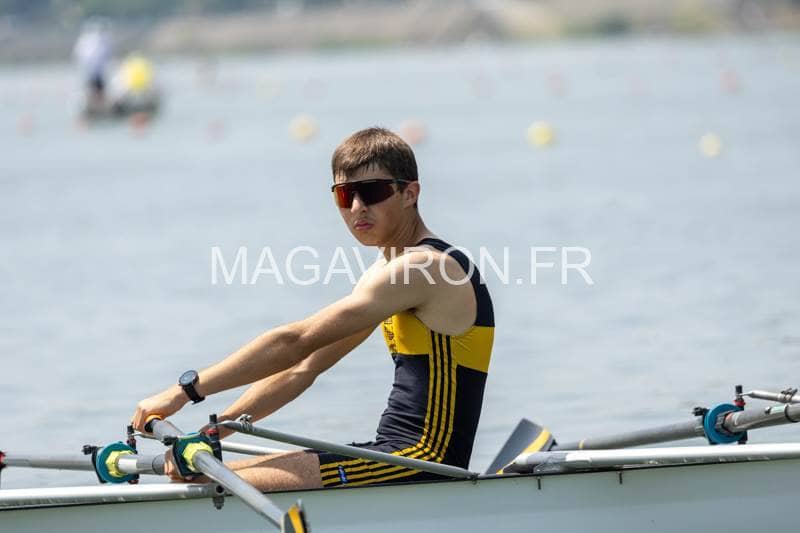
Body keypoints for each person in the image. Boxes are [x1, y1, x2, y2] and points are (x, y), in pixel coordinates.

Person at [132, 127, 495, 491]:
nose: (357, 207)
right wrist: (216, 430)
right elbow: (303, 367)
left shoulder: (424, 267)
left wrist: (184, 391)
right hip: (394, 454)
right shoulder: (385, 273)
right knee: (202, 473)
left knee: (210, 480)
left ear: (409, 193)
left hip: (424, 462)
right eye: (345, 194)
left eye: (372, 192)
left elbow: (295, 342)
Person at [72, 20, 112, 103]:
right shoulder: (96, 40)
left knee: (96, 88)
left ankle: (97, 102)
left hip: (95, 72)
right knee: (94, 89)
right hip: (92, 72)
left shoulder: (86, 40)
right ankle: (96, 102)